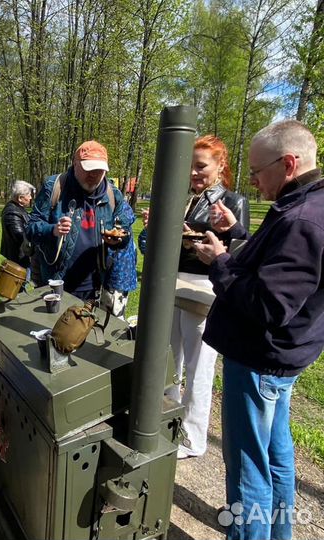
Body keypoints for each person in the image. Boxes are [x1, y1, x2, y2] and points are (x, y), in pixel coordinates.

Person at [194, 120, 324, 540]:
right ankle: (279, 533)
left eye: (257, 170)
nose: (251, 179)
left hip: (259, 358)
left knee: (248, 466)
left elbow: (269, 305)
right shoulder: (307, 205)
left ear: (288, 163)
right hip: (286, 357)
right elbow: (280, 268)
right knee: (277, 455)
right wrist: (238, 234)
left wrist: (220, 262)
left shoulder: (303, 219)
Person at [138, 135, 249, 459]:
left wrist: (209, 242)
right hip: (174, 288)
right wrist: (159, 226)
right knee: (170, 362)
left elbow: (238, 254)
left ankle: (193, 438)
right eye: (190, 167)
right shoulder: (185, 199)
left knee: (200, 370)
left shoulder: (232, 201)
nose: (194, 173)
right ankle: (167, 423)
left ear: (220, 165)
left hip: (206, 291)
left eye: (201, 166)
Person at [26, 140, 131, 301]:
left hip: (93, 285)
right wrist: (53, 230)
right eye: (88, 169)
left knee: (85, 325)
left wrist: (118, 240)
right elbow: (31, 228)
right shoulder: (55, 187)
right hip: (55, 282)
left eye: (99, 170)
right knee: (52, 326)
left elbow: (125, 232)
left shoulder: (113, 194)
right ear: (75, 164)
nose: (93, 175)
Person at [100, 200, 137, 319]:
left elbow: (124, 225)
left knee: (116, 315)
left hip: (119, 273)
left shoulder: (119, 206)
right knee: (102, 313)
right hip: (104, 272)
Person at [0, 180, 35, 271]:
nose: (31, 198)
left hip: (22, 256)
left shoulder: (18, 208)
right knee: (20, 283)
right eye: (29, 195)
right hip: (18, 258)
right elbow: (20, 235)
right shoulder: (12, 212)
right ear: (20, 198)